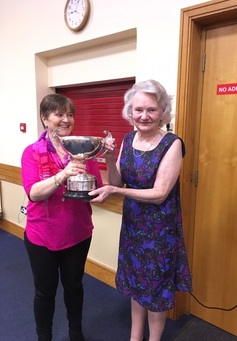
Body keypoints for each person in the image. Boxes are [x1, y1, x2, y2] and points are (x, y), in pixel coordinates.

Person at [89, 80, 192, 341]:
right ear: (130, 112)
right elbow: (115, 181)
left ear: (163, 112)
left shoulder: (172, 144)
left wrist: (117, 192)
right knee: (137, 286)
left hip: (160, 232)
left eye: (151, 110)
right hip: (134, 226)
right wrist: (110, 159)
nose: (144, 116)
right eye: (138, 110)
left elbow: (159, 195)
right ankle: (135, 338)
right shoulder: (128, 138)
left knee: (155, 291)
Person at [21, 93, 103, 341]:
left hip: (77, 233)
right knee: (45, 292)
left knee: (74, 286)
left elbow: (94, 189)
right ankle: (43, 336)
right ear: (45, 119)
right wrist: (62, 175)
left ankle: (75, 331)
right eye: (59, 114)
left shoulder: (83, 150)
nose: (66, 119)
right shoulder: (32, 152)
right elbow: (34, 194)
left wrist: (105, 157)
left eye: (70, 114)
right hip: (42, 236)